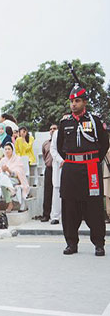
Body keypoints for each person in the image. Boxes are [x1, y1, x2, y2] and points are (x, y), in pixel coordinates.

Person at [56, 82, 108, 256]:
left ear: (85, 102)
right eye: (71, 101)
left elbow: (104, 143)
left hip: (91, 168)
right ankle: (71, 243)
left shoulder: (95, 120)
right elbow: (60, 145)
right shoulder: (65, 123)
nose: (73, 104)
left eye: (77, 101)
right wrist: (72, 160)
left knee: (94, 207)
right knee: (70, 207)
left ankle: (99, 243)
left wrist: (93, 160)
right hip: (71, 169)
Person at [0, 143, 30, 212]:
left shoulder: (17, 159)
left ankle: (10, 203)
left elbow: (18, 174)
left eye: (9, 149)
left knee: (4, 182)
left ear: (12, 150)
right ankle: (10, 198)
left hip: (15, 179)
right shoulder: (2, 160)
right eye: (5, 149)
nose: (7, 151)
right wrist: (3, 170)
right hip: (4, 179)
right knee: (2, 182)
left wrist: (8, 170)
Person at [41, 125, 58, 222]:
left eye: (54, 129)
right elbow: (44, 156)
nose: (52, 130)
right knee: (47, 191)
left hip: (59, 169)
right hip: (49, 168)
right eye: (51, 129)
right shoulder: (45, 144)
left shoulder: (61, 143)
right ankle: (46, 214)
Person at [49, 128, 63, 225]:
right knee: (57, 191)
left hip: (72, 164)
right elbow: (53, 149)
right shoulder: (57, 133)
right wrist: (60, 160)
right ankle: (55, 216)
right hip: (59, 165)